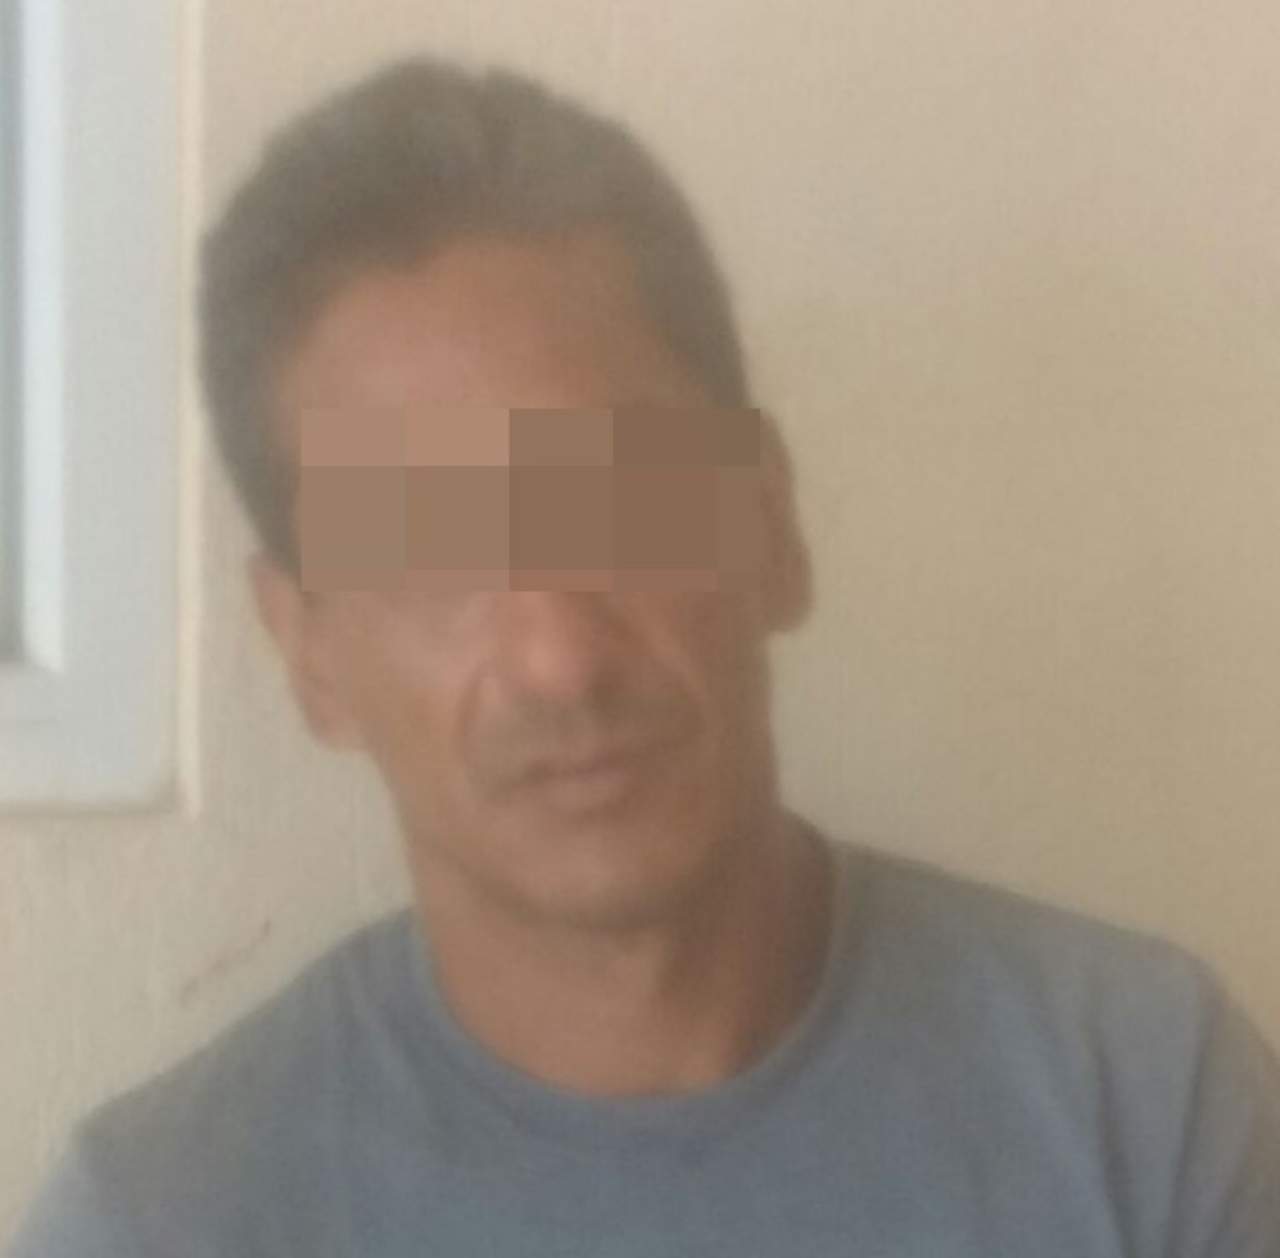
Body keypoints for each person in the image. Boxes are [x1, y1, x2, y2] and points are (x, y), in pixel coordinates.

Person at [10, 56, 1279, 1257]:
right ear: (308, 651)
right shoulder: (163, 1222)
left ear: (769, 525)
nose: (559, 658)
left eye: (621, 501)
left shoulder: (1140, 1097)